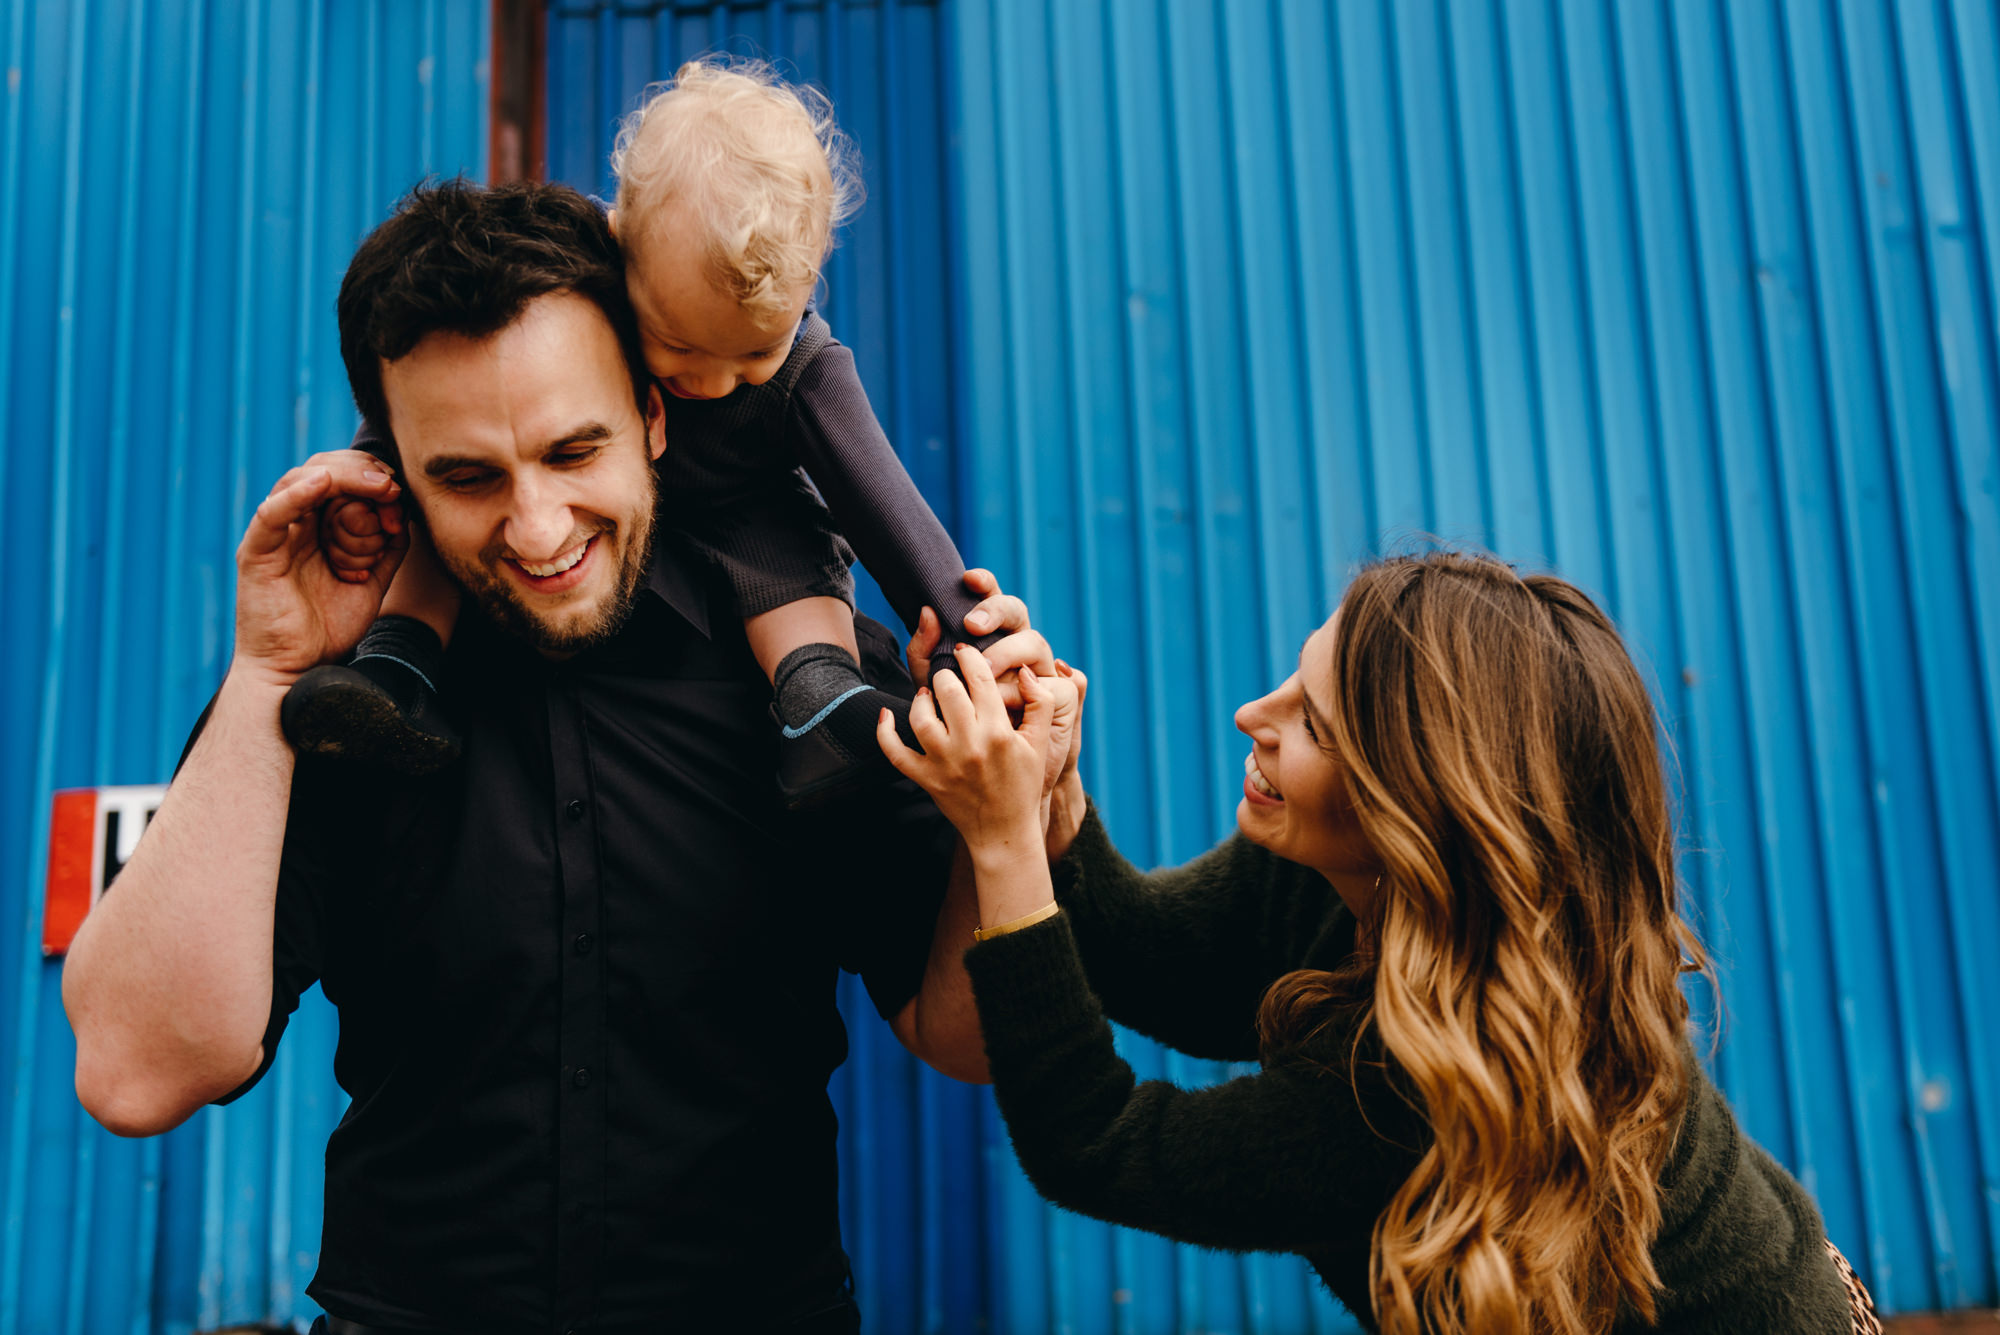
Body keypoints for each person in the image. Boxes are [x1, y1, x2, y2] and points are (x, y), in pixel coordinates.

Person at [61, 180, 1044, 1335]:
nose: (537, 530)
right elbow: (135, 1074)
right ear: (393, 466)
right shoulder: (337, 702)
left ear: (655, 416)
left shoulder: (820, 690)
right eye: (466, 475)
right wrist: (268, 673)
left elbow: (969, 1041)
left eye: (574, 451)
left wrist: (1031, 807)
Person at [882, 551, 1884, 1335]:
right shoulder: (1341, 878)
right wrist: (1051, 797)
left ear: (1416, 811)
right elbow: (1156, 960)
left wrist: (1000, 841)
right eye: (1295, 675)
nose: (1252, 715)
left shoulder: (1413, 1084)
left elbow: (1097, 1144)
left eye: (1313, 723)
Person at [282, 57, 996, 808]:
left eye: (756, 355)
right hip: (583, 531)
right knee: (451, 507)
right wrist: (370, 484)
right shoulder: (581, 275)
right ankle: (397, 669)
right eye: (678, 346)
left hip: (740, 506)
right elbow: (438, 395)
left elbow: (883, 504)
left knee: (793, 552)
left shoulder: (810, 367)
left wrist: (968, 633)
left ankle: (819, 698)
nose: (712, 384)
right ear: (622, 245)